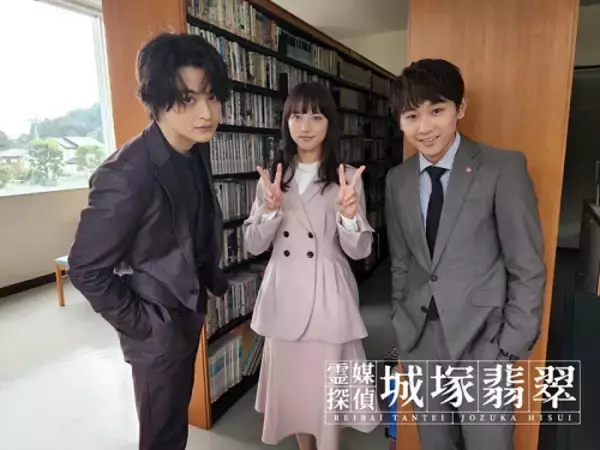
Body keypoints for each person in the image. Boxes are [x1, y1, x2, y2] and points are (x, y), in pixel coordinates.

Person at [67, 33, 230, 450]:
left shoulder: (194, 148)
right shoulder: (126, 173)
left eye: (212, 96)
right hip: (156, 328)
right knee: (161, 437)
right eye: (188, 99)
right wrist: (147, 327)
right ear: (157, 99)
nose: (206, 112)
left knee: (173, 427)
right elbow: (85, 268)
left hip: (187, 311)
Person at [385, 59, 546, 450]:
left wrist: (510, 345)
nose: (424, 127)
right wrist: (403, 327)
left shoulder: (502, 167)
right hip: (422, 339)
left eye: (436, 111)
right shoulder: (397, 179)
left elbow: (526, 264)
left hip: (484, 339)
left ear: (461, 107)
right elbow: (401, 261)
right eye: (411, 116)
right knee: (435, 443)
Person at [242, 81, 379, 450]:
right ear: (286, 122)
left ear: (329, 123)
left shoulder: (346, 177)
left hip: (327, 299)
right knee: (297, 394)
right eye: (297, 117)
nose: (305, 126)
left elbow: (359, 250)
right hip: (284, 297)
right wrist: (269, 211)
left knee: (326, 393)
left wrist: (348, 215)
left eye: (316, 117)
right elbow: (253, 243)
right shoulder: (274, 178)